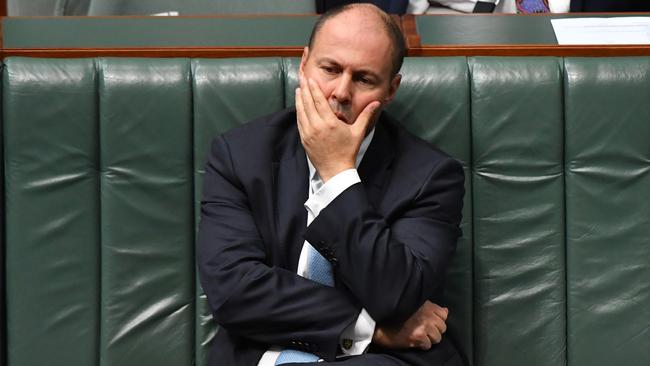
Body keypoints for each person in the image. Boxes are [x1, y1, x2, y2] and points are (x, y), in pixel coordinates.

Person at [197, 4, 465, 365]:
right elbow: (234, 291)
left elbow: (397, 295)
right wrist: (368, 327)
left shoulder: (431, 176)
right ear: (304, 64)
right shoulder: (239, 156)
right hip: (264, 352)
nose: (340, 92)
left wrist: (337, 173)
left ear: (391, 89)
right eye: (330, 69)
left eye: (364, 79)